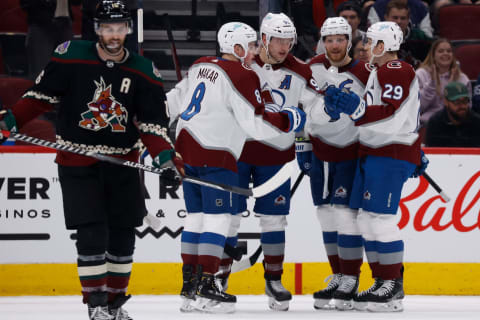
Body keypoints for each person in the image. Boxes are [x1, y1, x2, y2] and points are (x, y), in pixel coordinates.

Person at [0, 1, 185, 319]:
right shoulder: (70, 56)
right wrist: (14, 118)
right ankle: (96, 305)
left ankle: (114, 303)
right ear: (97, 29)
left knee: (124, 235)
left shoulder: (143, 71)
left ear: (128, 29)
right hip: (77, 161)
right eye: (108, 28)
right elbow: (42, 96)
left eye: (120, 28)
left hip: (122, 163)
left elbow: (152, 125)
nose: (114, 35)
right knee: (91, 232)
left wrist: (166, 159)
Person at [166, 21, 306, 313]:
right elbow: (255, 124)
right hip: (217, 153)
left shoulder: (201, 65)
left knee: (196, 218)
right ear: (238, 48)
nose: (255, 51)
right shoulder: (242, 74)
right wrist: (290, 120)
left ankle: (189, 288)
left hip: (187, 150)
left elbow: (171, 102)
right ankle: (207, 286)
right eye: (252, 45)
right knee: (217, 220)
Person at [222, 13, 332, 312]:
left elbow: (314, 108)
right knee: (228, 217)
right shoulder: (243, 63)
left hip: (277, 156)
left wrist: (327, 111)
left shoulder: (301, 70)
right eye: (278, 40)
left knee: (274, 220)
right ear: (264, 39)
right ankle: (219, 279)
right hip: (237, 152)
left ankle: (274, 279)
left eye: (288, 40)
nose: (284, 46)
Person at [324, 21, 426, 312]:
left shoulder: (396, 69)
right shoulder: (379, 72)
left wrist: (355, 109)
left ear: (383, 45)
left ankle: (392, 287)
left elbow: (392, 115)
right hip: (375, 152)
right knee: (367, 221)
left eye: (370, 43)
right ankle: (383, 280)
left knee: (380, 220)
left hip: (390, 153)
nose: (366, 48)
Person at [306, 16, 371, 311]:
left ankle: (351, 278)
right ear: (323, 40)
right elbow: (300, 107)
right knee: (325, 215)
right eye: (329, 39)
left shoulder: (364, 71)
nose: (334, 45)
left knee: (345, 215)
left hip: (348, 152)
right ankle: (337, 274)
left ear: (349, 40)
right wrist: (302, 146)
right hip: (319, 153)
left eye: (340, 39)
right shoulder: (310, 68)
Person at [416, 38, 472, 128]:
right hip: (426, 125)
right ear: (433, 55)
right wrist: (432, 83)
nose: (445, 53)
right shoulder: (421, 74)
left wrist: (451, 88)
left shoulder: (462, 78)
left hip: (455, 124)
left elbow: (466, 109)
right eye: (441, 51)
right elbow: (418, 107)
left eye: (449, 51)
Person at [21, 0, 81, 80]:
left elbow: (77, 2)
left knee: (69, 72)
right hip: (41, 24)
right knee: (40, 73)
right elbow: (24, 3)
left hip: (65, 24)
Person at [425, 81, 480, 147]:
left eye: (465, 101)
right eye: (457, 102)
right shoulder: (435, 123)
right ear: (446, 102)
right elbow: (432, 153)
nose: (462, 106)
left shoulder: (477, 122)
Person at [367, 0, 434, 38]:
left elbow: (428, 35)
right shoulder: (377, 7)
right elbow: (373, 33)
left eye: (403, 18)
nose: (399, 21)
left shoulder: (421, 7)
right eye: (395, 18)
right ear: (386, 17)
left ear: (408, 19)